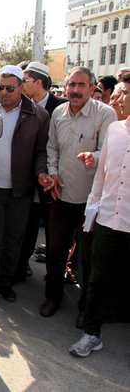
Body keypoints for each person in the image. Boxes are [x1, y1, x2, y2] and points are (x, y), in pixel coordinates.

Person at [38, 67, 117, 319]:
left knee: (87, 258)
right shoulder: (59, 112)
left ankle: (86, 309)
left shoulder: (106, 114)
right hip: (60, 195)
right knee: (55, 251)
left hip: (92, 200)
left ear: (92, 89)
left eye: (81, 85)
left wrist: (93, 157)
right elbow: (51, 148)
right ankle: (52, 297)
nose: (74, 90)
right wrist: (52, 172)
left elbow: (109, 152)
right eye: (71, 84)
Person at [68, 72, 130, 357]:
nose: (115, 98)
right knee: (96, 279)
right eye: (115, 93)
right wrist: (91, 215)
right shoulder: (115, 131)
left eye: (122, 94)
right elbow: (102, 177)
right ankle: (92, 334)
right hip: (107, 219)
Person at [0, 65, 50, 304]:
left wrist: (41, 172)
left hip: (20, 190)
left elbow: (42, 151)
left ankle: (6, 283)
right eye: (0, 87)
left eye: (10, 88)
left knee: (14, 240)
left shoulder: (38, 115)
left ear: (22, 87)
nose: (4, 92)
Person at [15, 62, 67, 282]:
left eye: (24, 81)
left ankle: (55, 278)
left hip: (56, 181)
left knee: (56, 233)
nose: (21, 86)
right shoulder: (21, 106)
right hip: (29, 179)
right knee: (26, 226)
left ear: (38, 82)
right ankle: (20, 267)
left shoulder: (61, 107)